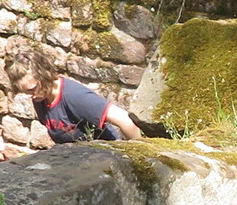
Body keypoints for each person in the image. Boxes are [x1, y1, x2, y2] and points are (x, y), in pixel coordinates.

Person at [14, 49, 143, 144]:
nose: (29, 96)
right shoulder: (40, 97)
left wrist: (141, 159)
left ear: (44, 76)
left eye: (32, 89)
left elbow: (125, 120)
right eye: (25, 92)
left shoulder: (75, 96)